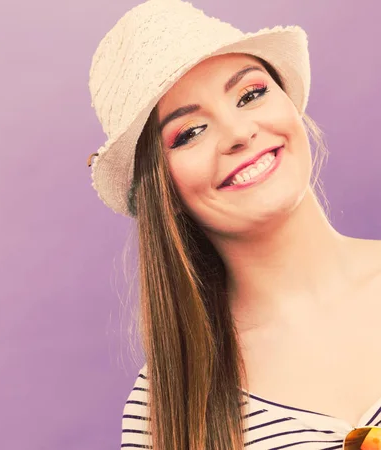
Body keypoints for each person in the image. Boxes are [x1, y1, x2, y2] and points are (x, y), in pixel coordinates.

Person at [85, 1, 381, 449]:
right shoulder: (162, 411)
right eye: (190, 133)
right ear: (162, 190)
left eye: (250, 94)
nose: (239, 133)